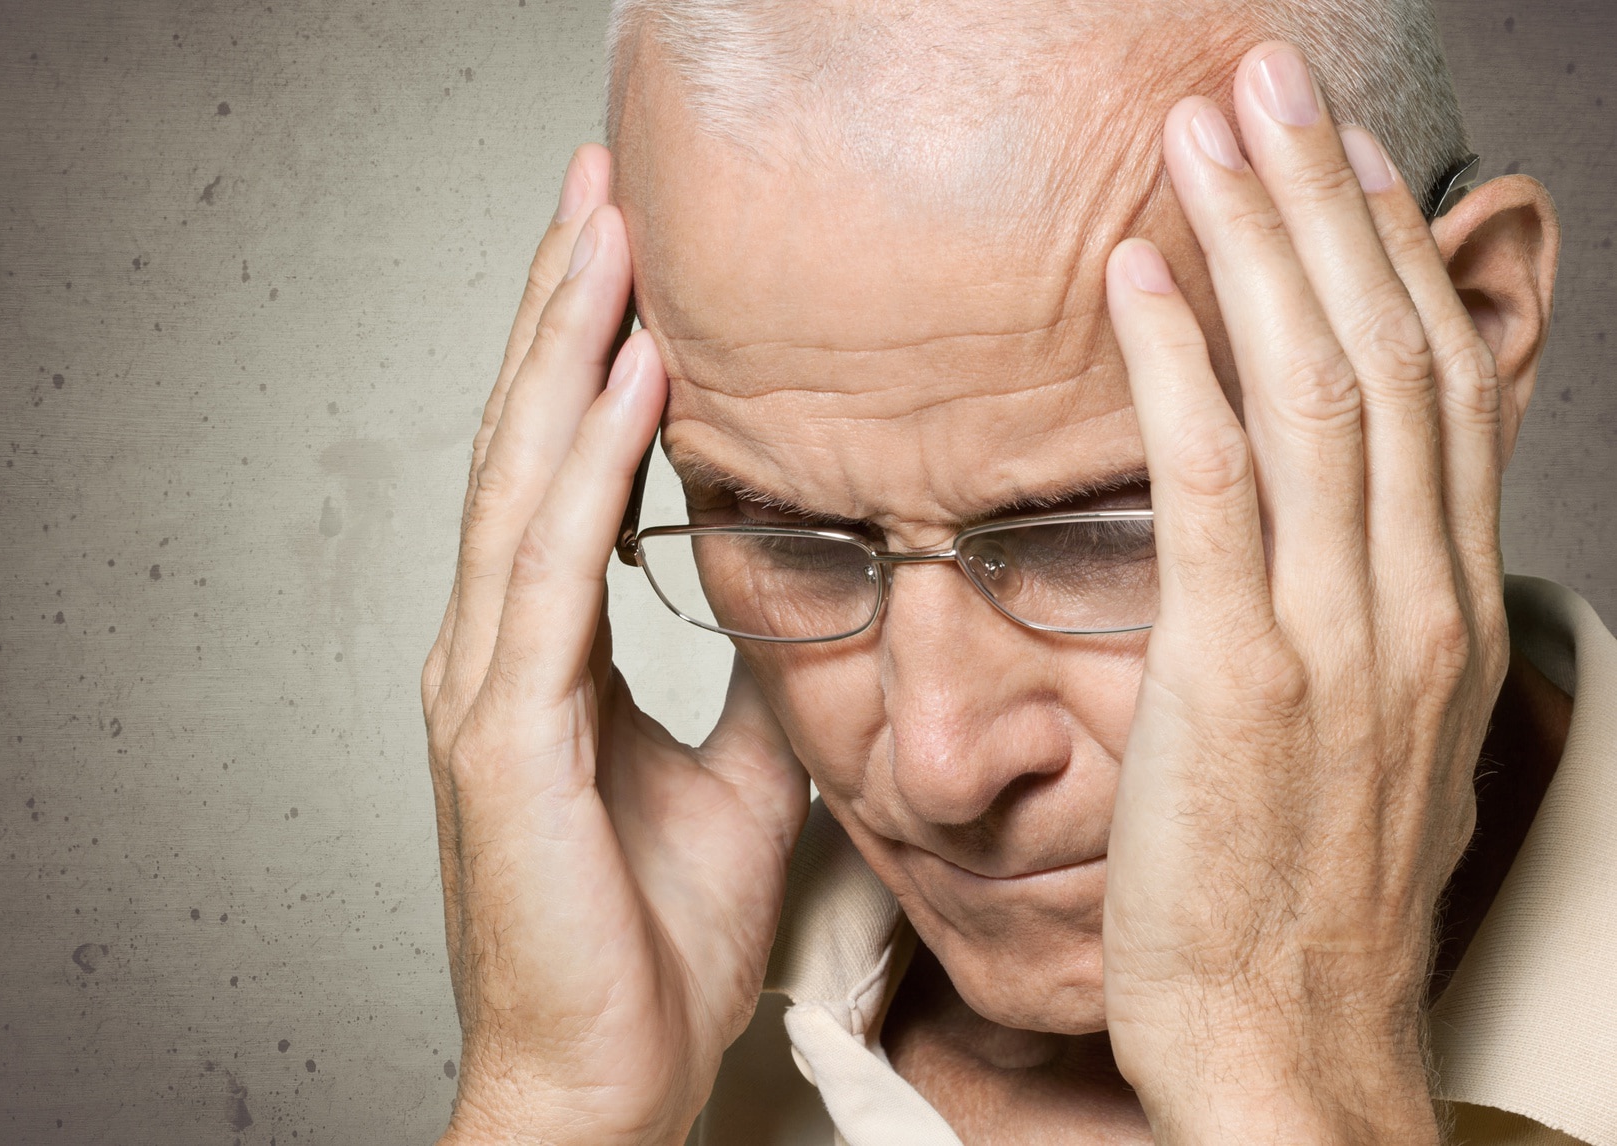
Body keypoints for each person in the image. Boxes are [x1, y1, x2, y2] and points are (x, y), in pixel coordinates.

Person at [419, 1, 1616, 1142]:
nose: (939, 768)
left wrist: (1285, 1093)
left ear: (1459, 335)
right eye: (786, 531)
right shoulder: (650, 1027)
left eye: (1093, 532)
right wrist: (546, 1109)